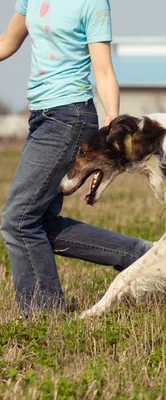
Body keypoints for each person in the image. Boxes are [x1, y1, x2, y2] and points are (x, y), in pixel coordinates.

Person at [0, 0, 152, 317]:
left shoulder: (92, 3)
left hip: (69, 118)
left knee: (18, 220)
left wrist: (111, 120)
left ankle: (45, 316)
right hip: (40, 116)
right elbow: (7, 42)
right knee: (41, 221)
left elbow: (104, 71)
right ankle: (138, 255)